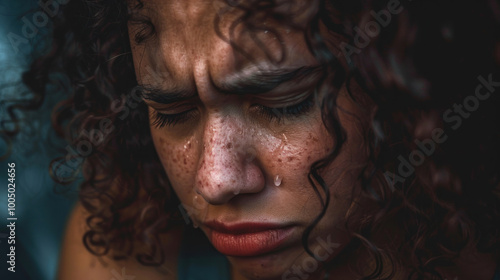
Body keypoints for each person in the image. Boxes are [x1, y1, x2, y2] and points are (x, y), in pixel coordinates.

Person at [12, 0, 500, 279]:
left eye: (284, 104)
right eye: (174, 112)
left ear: (407, 82)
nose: (215, 180)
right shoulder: (124, 235)